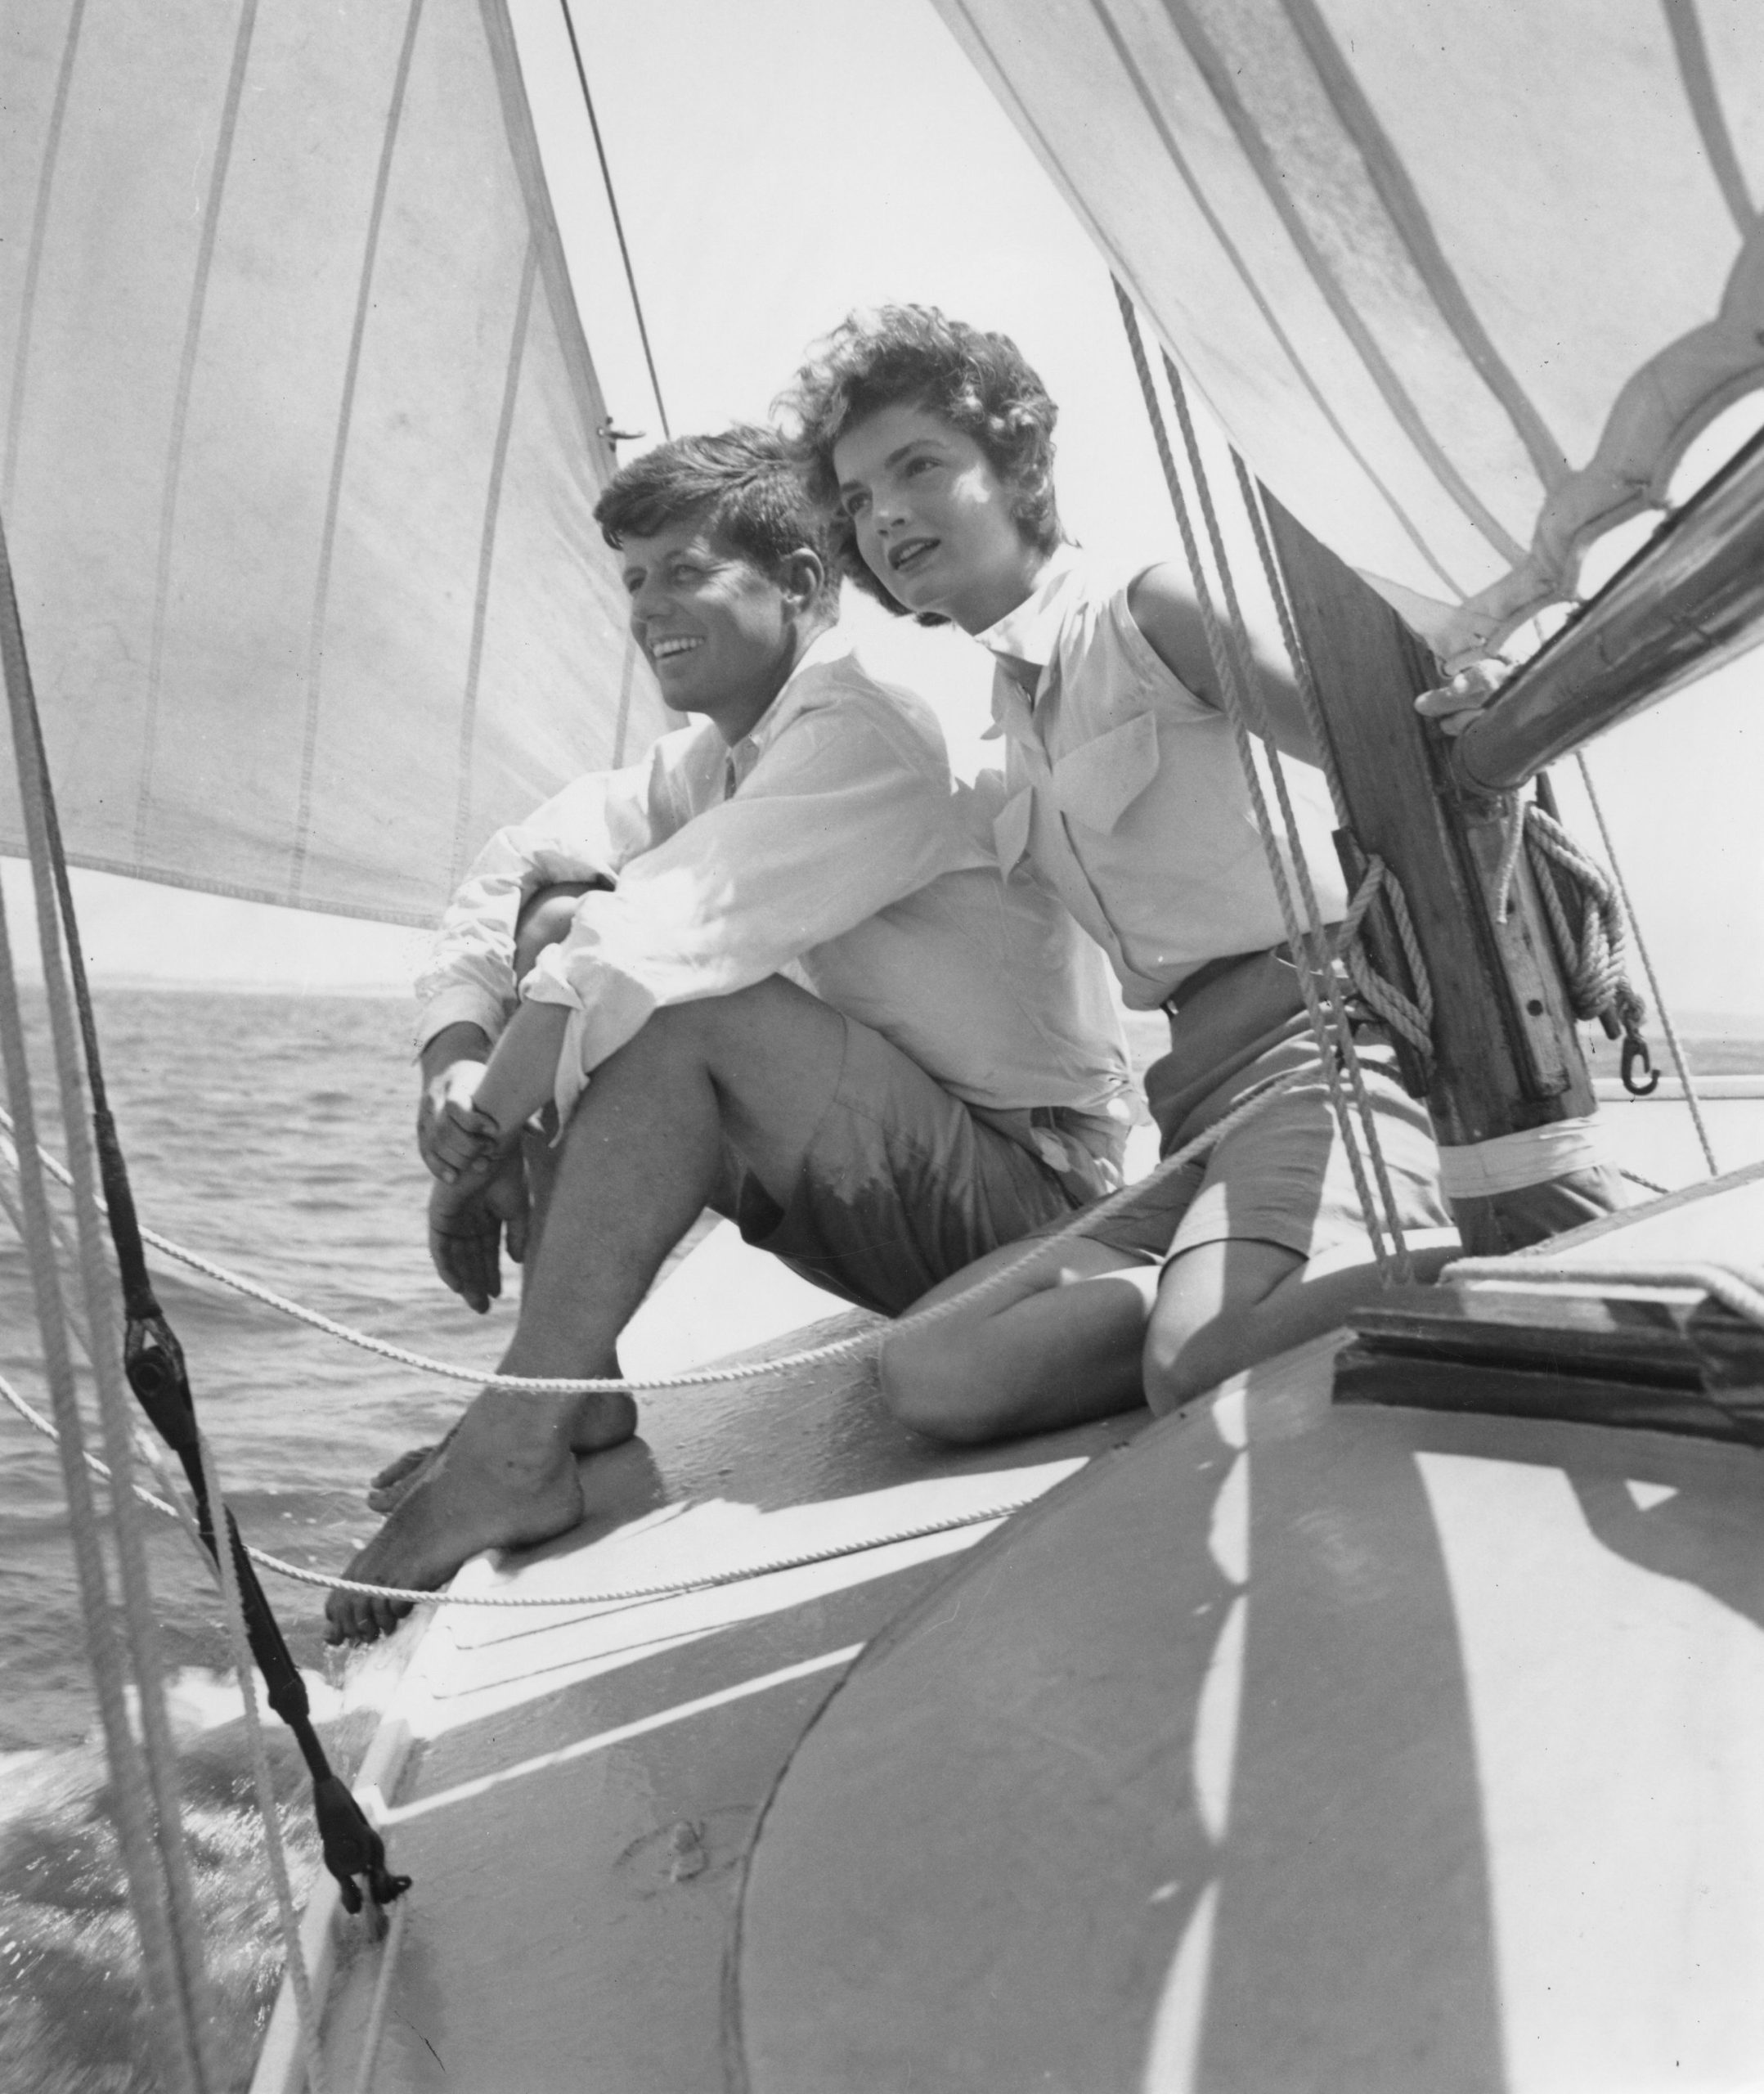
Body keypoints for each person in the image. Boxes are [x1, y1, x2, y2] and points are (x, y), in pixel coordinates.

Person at [325, 425, 1131, 1642]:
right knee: (555, 915)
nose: (648, 608)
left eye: (682, 572)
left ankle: (513, 1443)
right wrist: (452, 1057)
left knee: (672, 1001)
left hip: (1034, 1210)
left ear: (799, 584)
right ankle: (569, 1407)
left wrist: (483, 1136)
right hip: (903, 1196)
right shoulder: (714, 758)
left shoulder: (871, 722)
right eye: (634, 580)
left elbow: (654, 939)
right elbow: (513, 876)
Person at [779, 306, 1463, 1444]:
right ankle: (1236, 1288)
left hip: (1328, 1048)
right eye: (856, 498)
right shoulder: (1005, 707)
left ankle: (1497, 1242)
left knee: (1197, 1373)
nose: (885, 512)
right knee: (933, 1371)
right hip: (1195, 1099)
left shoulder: (1150, 613)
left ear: (1015, 467)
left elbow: (1398, 750)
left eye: (918, 467)